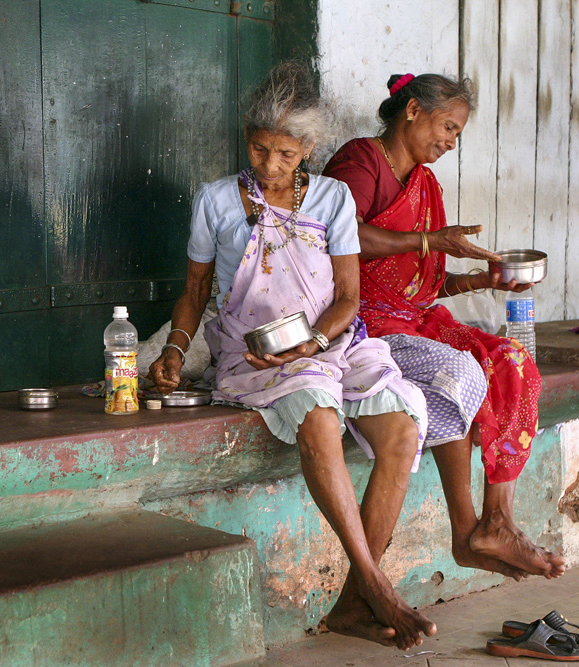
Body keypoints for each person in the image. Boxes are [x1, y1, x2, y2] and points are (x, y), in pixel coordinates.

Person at [149, 62, 436, 650]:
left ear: (308, 148)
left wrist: (317, 341)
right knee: (318, 411)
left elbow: (349, 299)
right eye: (258, 149)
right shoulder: (215, 201)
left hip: (329, 341)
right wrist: (176, 352)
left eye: (284, 153)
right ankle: (377, 587)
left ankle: (356, 598)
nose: (269, 165)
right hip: (255, 354)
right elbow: (196, 291)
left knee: (403, 428)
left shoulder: (332, 199)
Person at [324, 73, 566, 581]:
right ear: (412, 111)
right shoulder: (361, 161)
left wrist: (480, 279)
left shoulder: (425, 182)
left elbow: (421, 286)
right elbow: (341, 238)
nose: (451, 142)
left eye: (457, 134)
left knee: (513, 363)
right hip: (363, 324)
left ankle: (496, 520)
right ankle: (465, 531)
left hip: (415, 320)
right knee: (456, 374)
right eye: (448, 127)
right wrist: (431, 241)